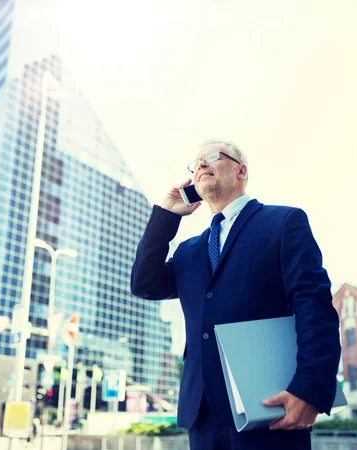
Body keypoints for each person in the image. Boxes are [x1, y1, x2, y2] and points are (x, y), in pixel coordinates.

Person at [131, 139, 341, 450]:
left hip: (269, 406)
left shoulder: (283, 222)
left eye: (212, 156)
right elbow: (144, 283)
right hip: (202, 414)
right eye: (196, 162)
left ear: (241, 170)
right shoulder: (189, 252)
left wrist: (310, 389)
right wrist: (166, 215)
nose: (201, 164)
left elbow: (315, 306)